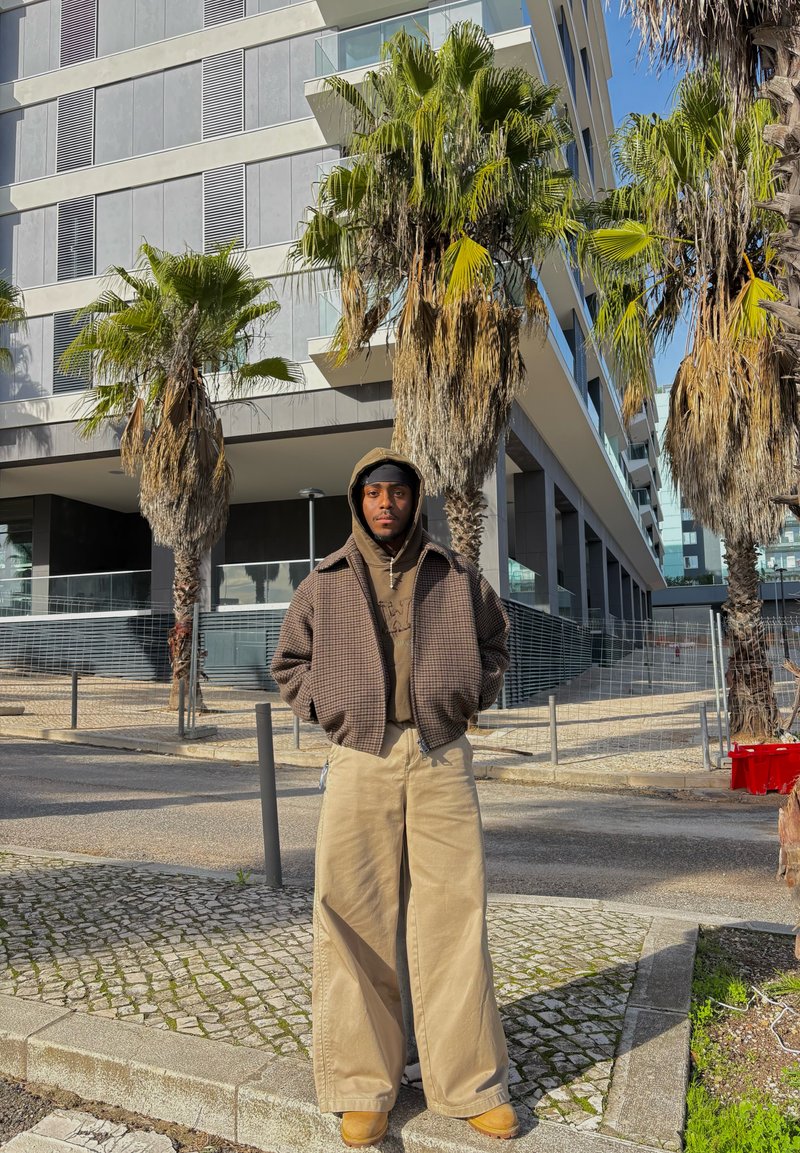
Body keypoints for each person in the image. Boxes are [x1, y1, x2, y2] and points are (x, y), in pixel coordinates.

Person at [271, 447, 518, 1148]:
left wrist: (467, 694)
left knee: (455, 914)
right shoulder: (324, 581)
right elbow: (289, 660)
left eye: (397, 493)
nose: (386, 503)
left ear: (415, 501)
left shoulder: (455, 573)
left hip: (440, 754)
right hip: (360, 759)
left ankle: (469, 1083)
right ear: (359, 500)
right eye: (374, 493)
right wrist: (334, 711)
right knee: (351, 913)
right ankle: (360, 1086)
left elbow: (497, 643)